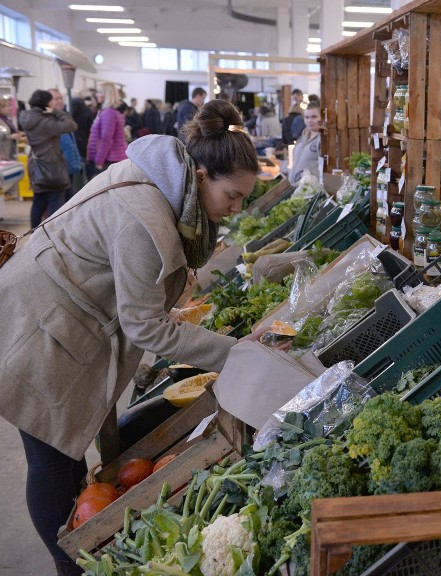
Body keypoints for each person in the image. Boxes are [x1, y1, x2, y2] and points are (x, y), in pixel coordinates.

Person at [0, 100, 259, 576]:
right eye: (233, 196)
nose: (237, 208)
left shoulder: (163, 182)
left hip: (58, 315)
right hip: (35, 325)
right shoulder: (148, 220)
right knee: (54, 456)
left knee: (66, 455)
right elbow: (147, 328)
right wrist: (239, 353)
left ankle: (82, 546)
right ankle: (71, 564)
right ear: (200, 175)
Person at [19, 89, 77, 228]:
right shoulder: (46, 122)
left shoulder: (25, 117)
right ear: (46, 103)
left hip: (35, 165)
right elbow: (71, 125)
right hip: (51, 166)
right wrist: (55, 111)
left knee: (38, 201)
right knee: (56, 204)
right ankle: (52, 237)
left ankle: (34, 234)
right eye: (52, 100)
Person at [48, 90, 85, 200]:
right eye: (56, 99)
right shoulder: (48, 119)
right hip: (57, 169)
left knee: (67, 200)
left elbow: (71, 140)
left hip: (68, 167)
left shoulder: (62, 116)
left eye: (61, 98)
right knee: (55, 203)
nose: (60, 101)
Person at [86, 83, 127, 178]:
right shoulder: (109, 111)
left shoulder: (109, 113)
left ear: (107, 94)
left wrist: (99, 161)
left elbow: (106, 140)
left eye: (100, 92)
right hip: (110, 158)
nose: (96, 95)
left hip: (109, 160)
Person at [288, 101, 322, 183]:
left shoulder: (323, 140)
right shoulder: (302, 137)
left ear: (322, 118)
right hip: (295, 188)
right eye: (307, 117)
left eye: (314, 117)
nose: (309, 120)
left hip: (312, 191)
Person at [69, 93, 94, 161]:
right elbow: (90, 130)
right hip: (84, 142)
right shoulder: (88, 111)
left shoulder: (69, 111)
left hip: (72, 142)